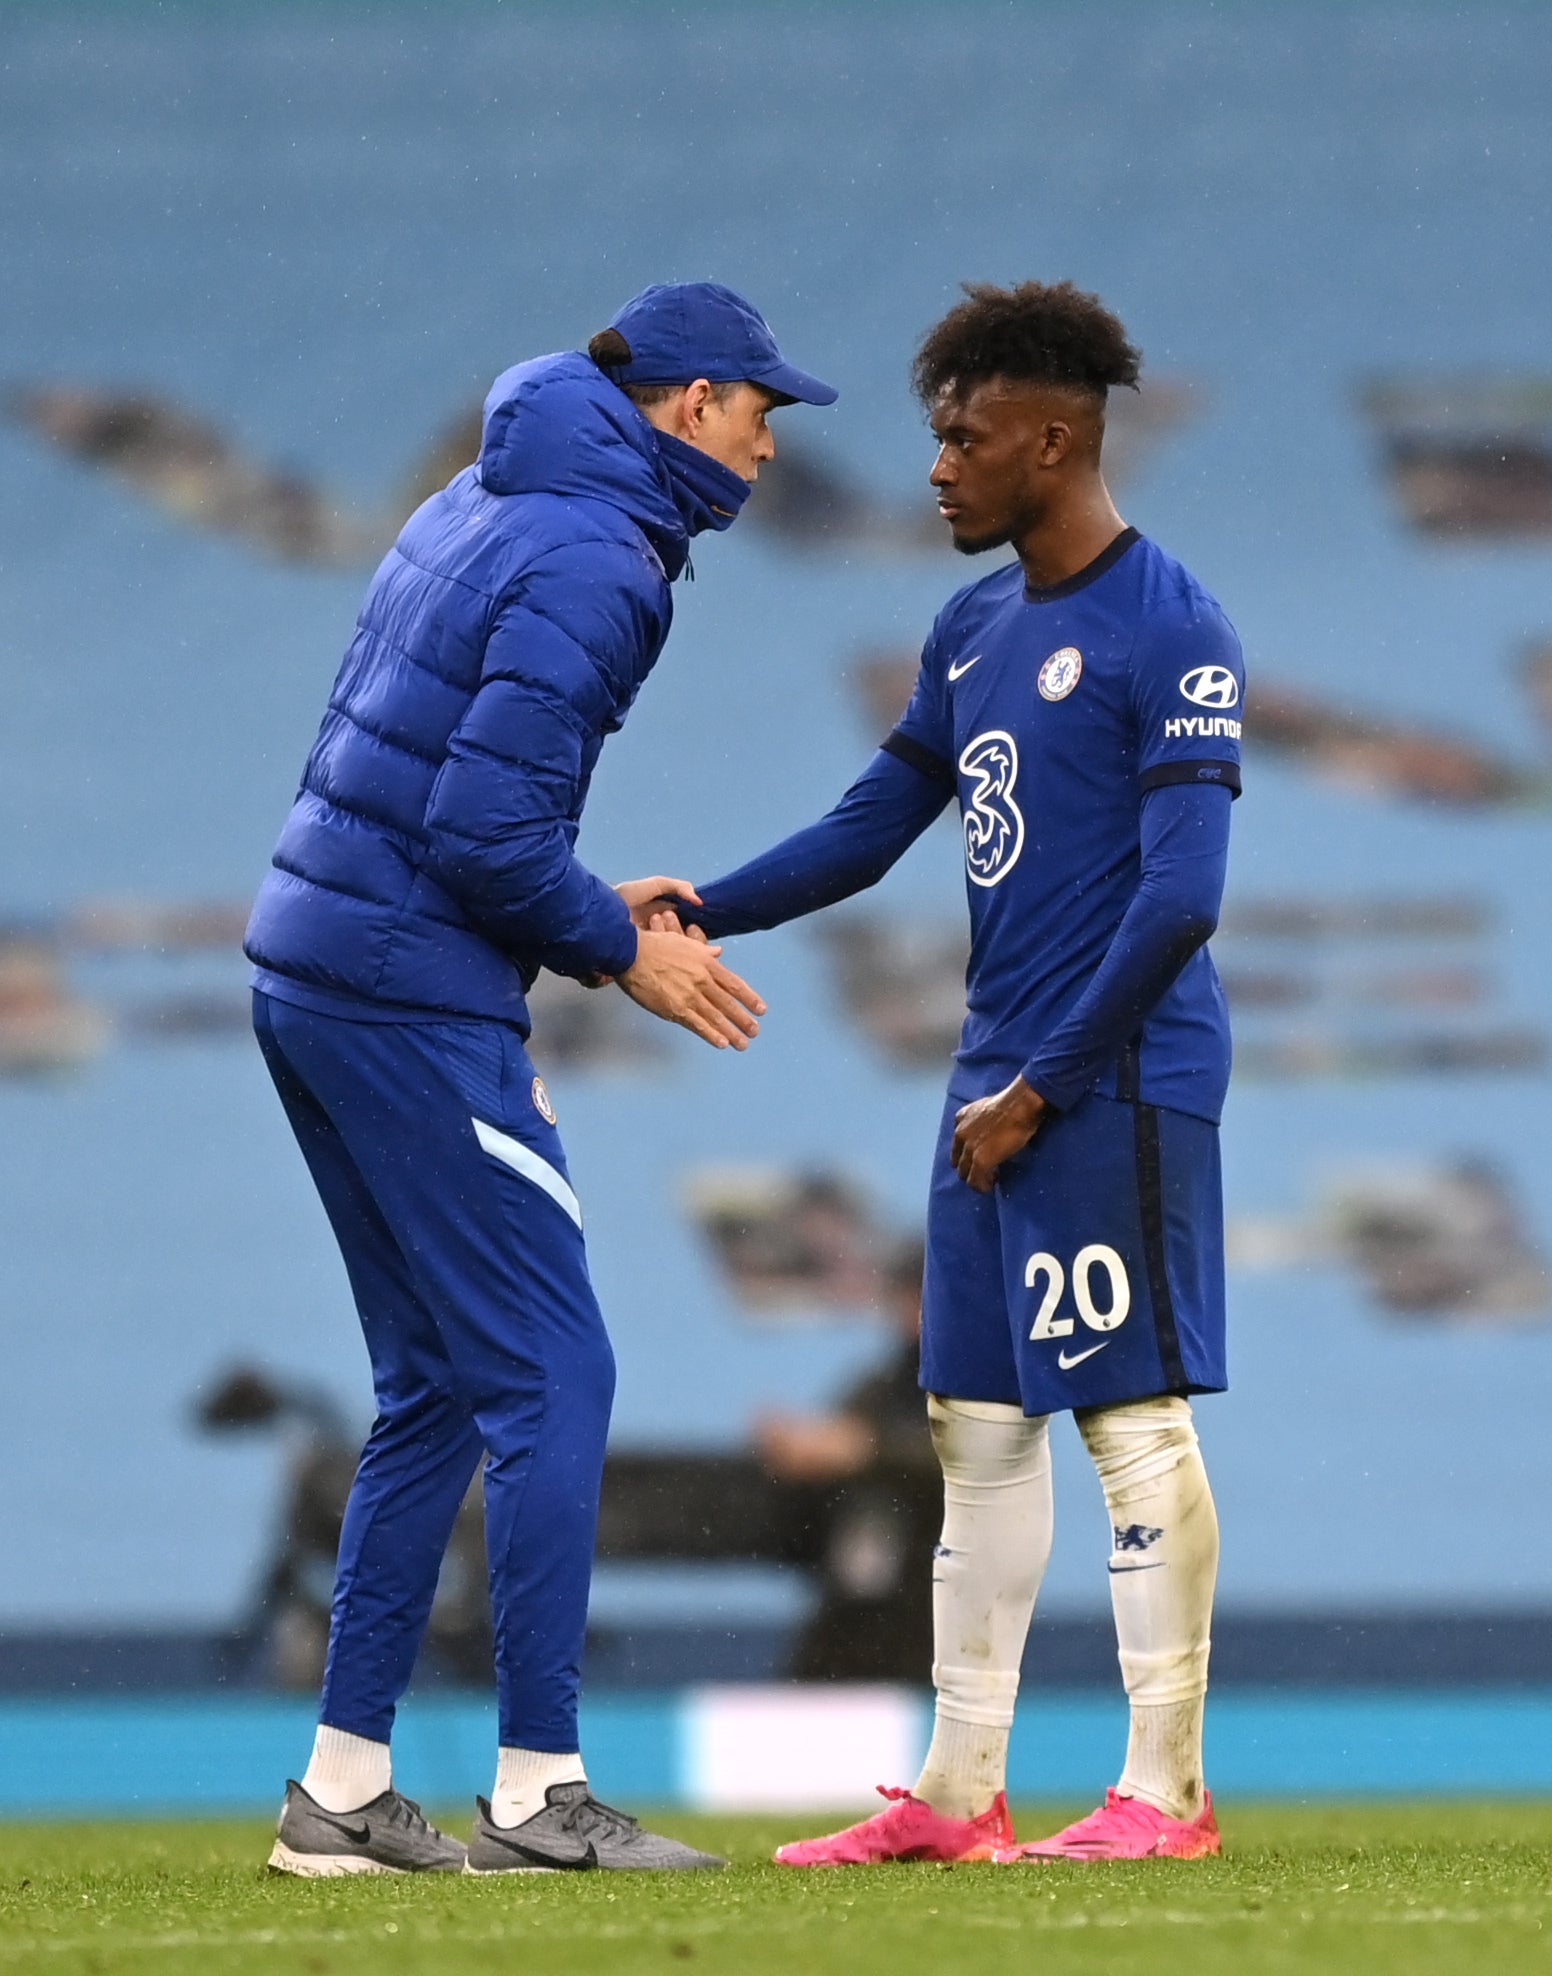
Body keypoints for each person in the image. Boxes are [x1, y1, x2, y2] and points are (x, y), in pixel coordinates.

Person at [638, 280, 1240, 1864]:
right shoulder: (975, 626)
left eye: (966, 439)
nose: (940, 468)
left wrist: (1046, 1082)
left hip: (1108, 1080)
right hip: (997, 1084)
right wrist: (702, 901)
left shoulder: (1170, 625)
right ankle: (961, 1796)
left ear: (1054, 439)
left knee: (1128, 1420)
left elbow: (1180, 898)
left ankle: (1165, 1796)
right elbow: (868, 822)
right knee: (975, 1425)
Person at [242, 282, 836, 1876]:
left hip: (318, 962)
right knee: (554, 1378)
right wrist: (611, 946)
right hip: (407, 995)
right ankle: (538, 1793)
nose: (771, 450)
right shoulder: (598, 552)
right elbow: (481, 835)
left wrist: (579, 903)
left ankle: (344, 1794)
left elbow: (442, 788)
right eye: (762, 414)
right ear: (691, 402)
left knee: (434, 1389)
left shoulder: (488, 490)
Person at [755, 1236, 940, 1682]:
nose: (913, 1312)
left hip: (940, 1618)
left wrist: (866, 1450)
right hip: (859, 1613)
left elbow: (962, 1459)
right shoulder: (877, 1388)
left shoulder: (984, 1388)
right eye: (907, 1295)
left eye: (925, 1295)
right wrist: (799, 1463)